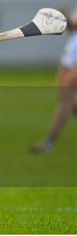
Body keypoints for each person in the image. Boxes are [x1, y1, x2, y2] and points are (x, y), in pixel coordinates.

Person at [30, 9, 77, 154]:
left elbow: (74, 23)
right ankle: (49, 142)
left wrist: (68, 20)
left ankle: (49, 142)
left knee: (67, 95)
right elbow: (72, 26)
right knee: (68, 102)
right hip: (73, 48)